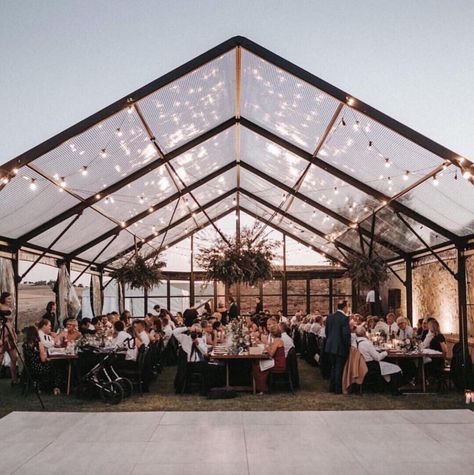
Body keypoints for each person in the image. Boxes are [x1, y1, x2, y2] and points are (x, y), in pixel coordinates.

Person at [353, 326, 402, 395]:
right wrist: (386, 352)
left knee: (388, 367)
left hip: (362, 365)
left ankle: (387, 387)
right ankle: (395, 390)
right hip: (372, 366)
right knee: (396, 368)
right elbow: (377, 357)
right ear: (364, 333)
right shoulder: (366, 344)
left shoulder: (355, 343)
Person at [22, 325, 62, 395]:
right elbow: (43, 359)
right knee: (57, 366)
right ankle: (56, 387)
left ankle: (47, 386)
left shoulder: (25, 345)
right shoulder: (38, 343)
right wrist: (48, 358)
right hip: (38, 368)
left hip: (29, 368)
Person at [325, 301, 351, 394]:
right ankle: (337, 389)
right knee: (339, 368)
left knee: (333, 367)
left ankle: (331, 387)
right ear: (345, 307)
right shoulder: (344, 318)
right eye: (347, 307)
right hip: (340, 346)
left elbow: (327, 332)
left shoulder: (330, 317)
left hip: (330, 345)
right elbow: (345, 334)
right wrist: (348, 345)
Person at [252, 325, 286, 394]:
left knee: (258, 367)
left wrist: (266, 345)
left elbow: (271, 354)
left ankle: (262, 389)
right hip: (275, 361)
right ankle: (261, 387)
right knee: (258, 364)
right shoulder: (278, 340)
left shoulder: (277, 341)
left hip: (278, 363)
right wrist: (266, 344)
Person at [0, 292, 19, 384]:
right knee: (0, 356)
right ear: (3, 298)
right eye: (8, 299)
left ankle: (14, 379)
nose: (9, 301)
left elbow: (11, 321)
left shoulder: (10, 308)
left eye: (11, 299)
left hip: (10, 332)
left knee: (14, 358)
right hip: (2, 332)